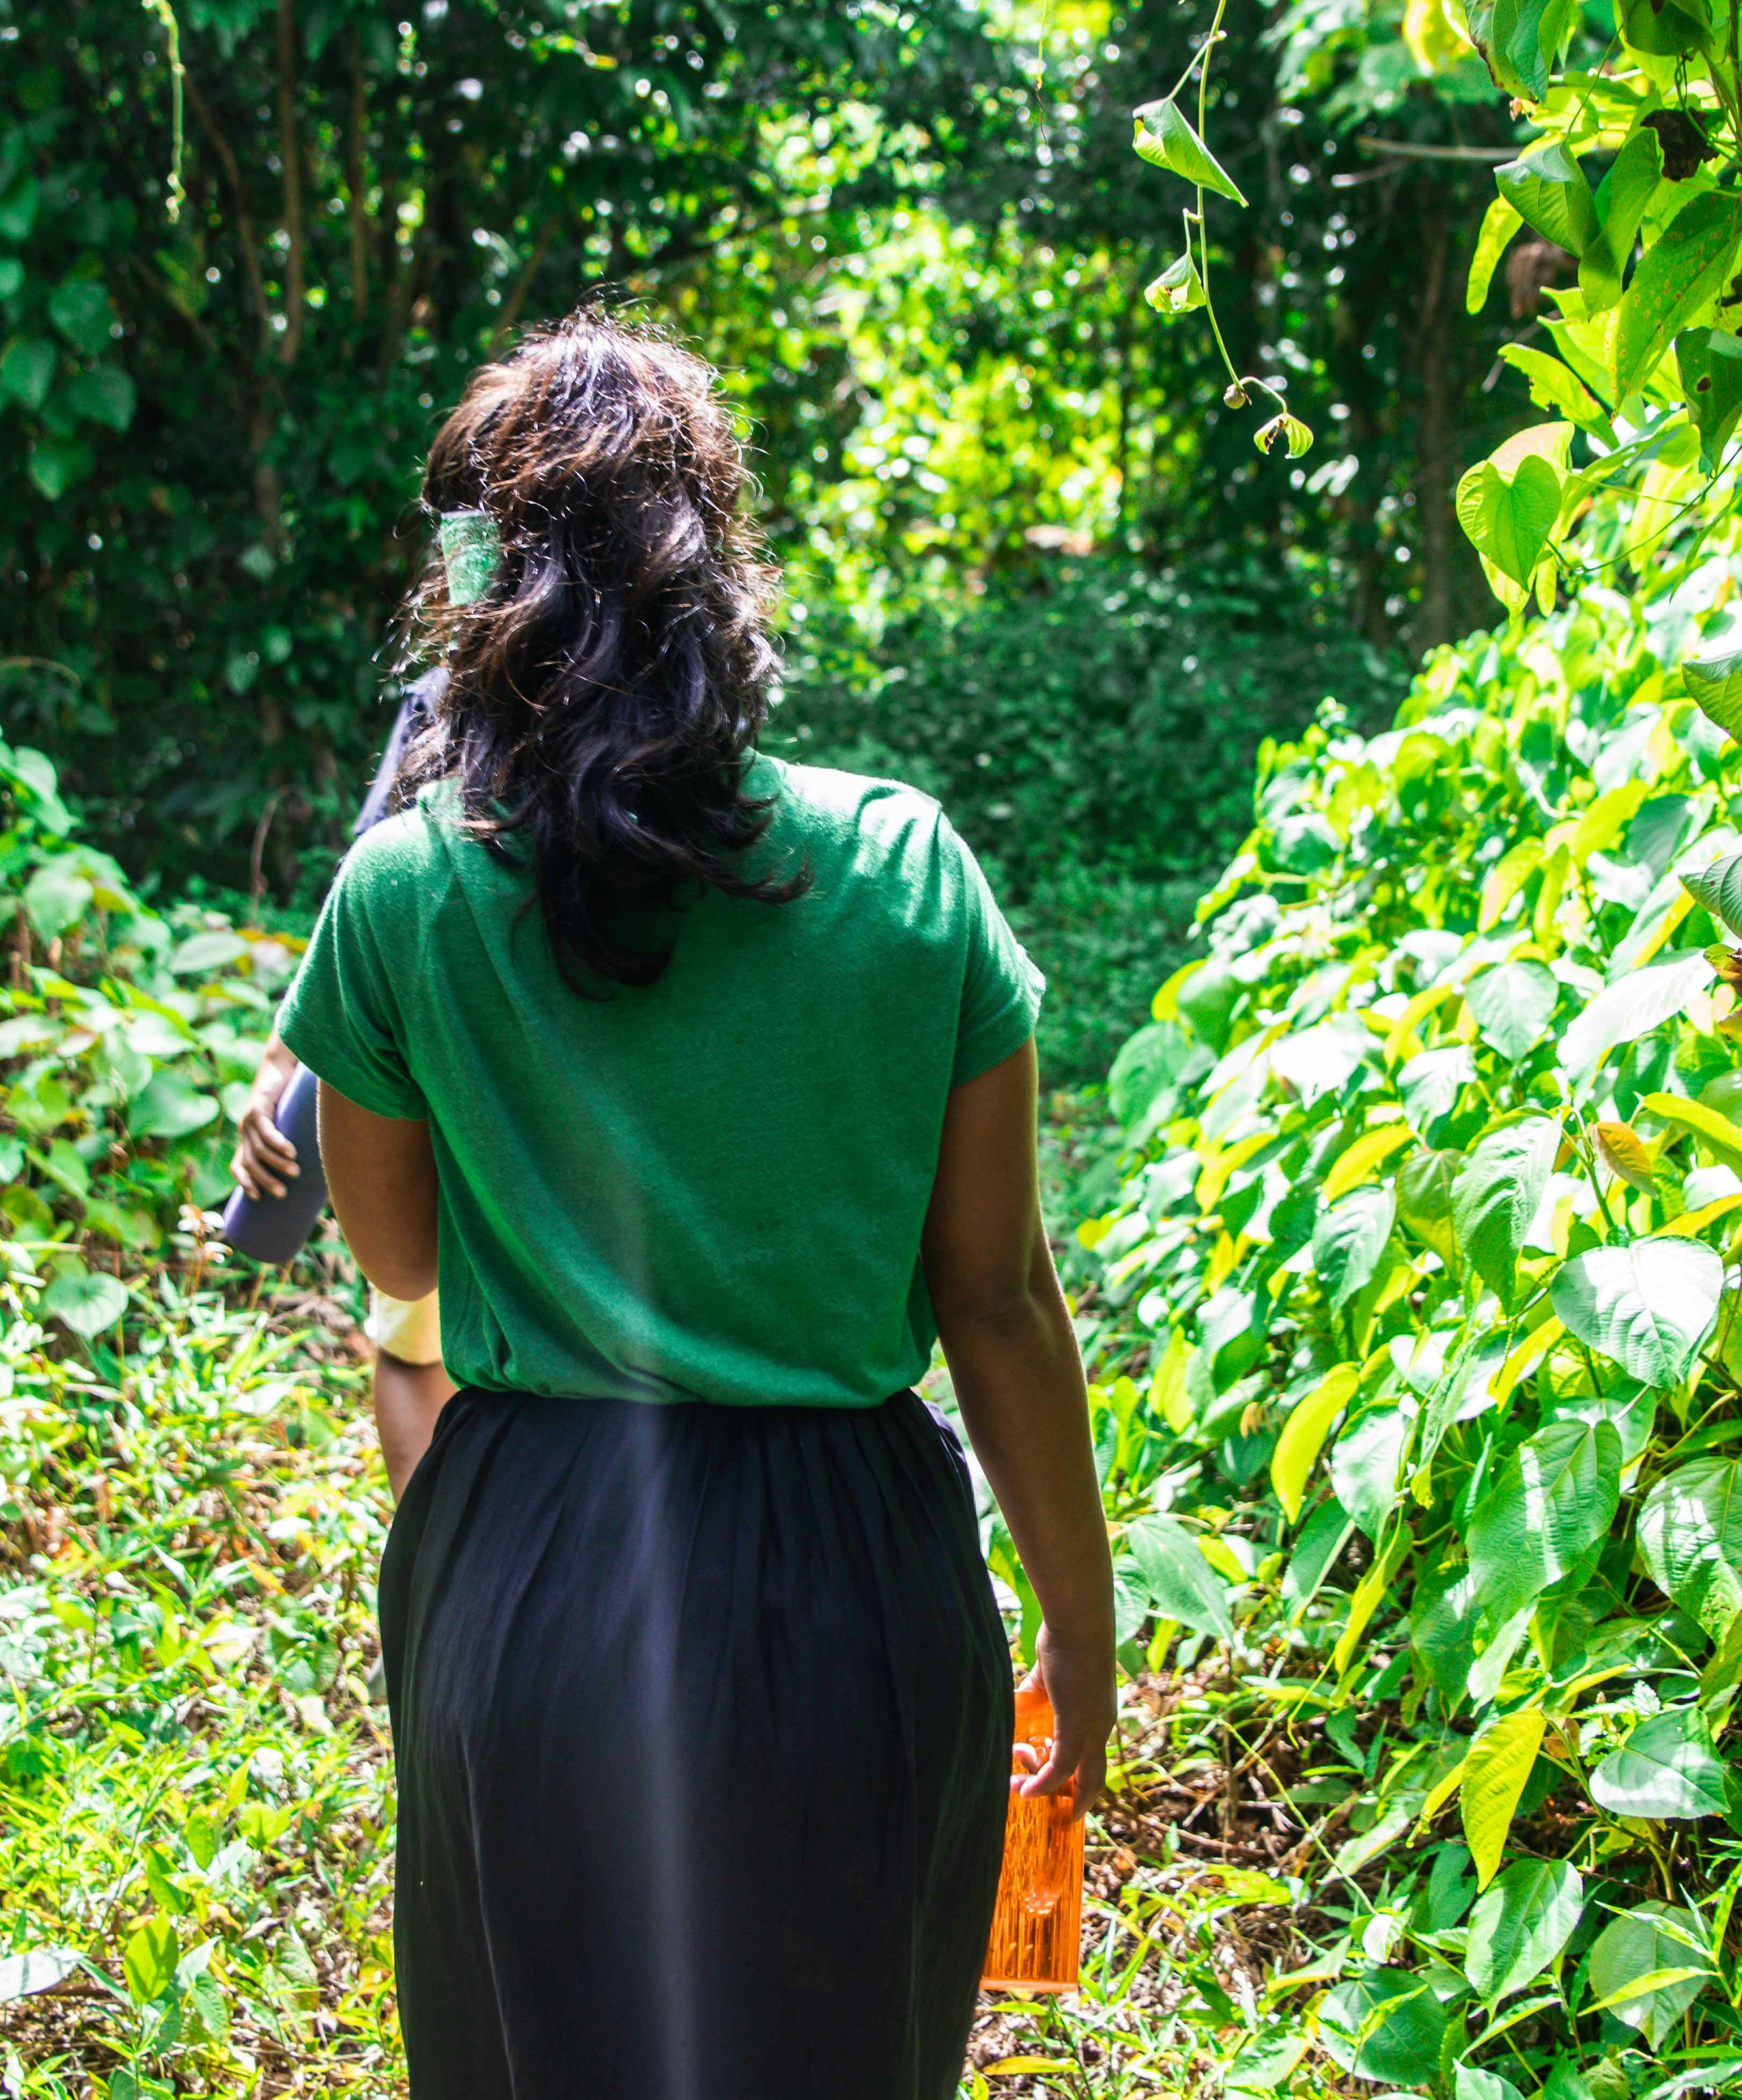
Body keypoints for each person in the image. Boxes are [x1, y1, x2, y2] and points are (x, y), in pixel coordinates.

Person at [267, 308, 1112, 2100]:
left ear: (490, 601)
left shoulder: (406, 898)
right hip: (854, 1581)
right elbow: (1001, 1303)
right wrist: (1082, 1631)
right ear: (721, 580)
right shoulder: (901, 867)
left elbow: (399, 1261)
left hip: (535, 1566)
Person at [236, 667, 455, 1489]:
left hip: (486, 1048)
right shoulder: (449, 684)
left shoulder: (470, 660)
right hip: (444, 1047)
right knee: (413, 1342)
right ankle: (435, 1589)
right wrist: (276, 1068)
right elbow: (368, 881)